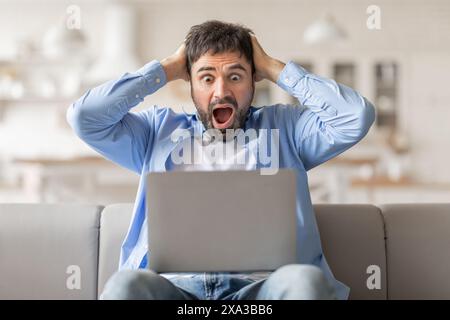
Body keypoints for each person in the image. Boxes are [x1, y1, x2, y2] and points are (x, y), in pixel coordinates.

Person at [67, 20, 375, 300]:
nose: (221, 91)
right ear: (189, 81)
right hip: (175, 291)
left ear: (255, 79)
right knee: (125, 286)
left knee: (305, 283)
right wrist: (164, 70)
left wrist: (273, 67)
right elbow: (85, 118)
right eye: (206, 78)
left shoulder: (287, 129)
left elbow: (355, 116)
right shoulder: (156, 131)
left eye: (236, 76)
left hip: (262, 291)